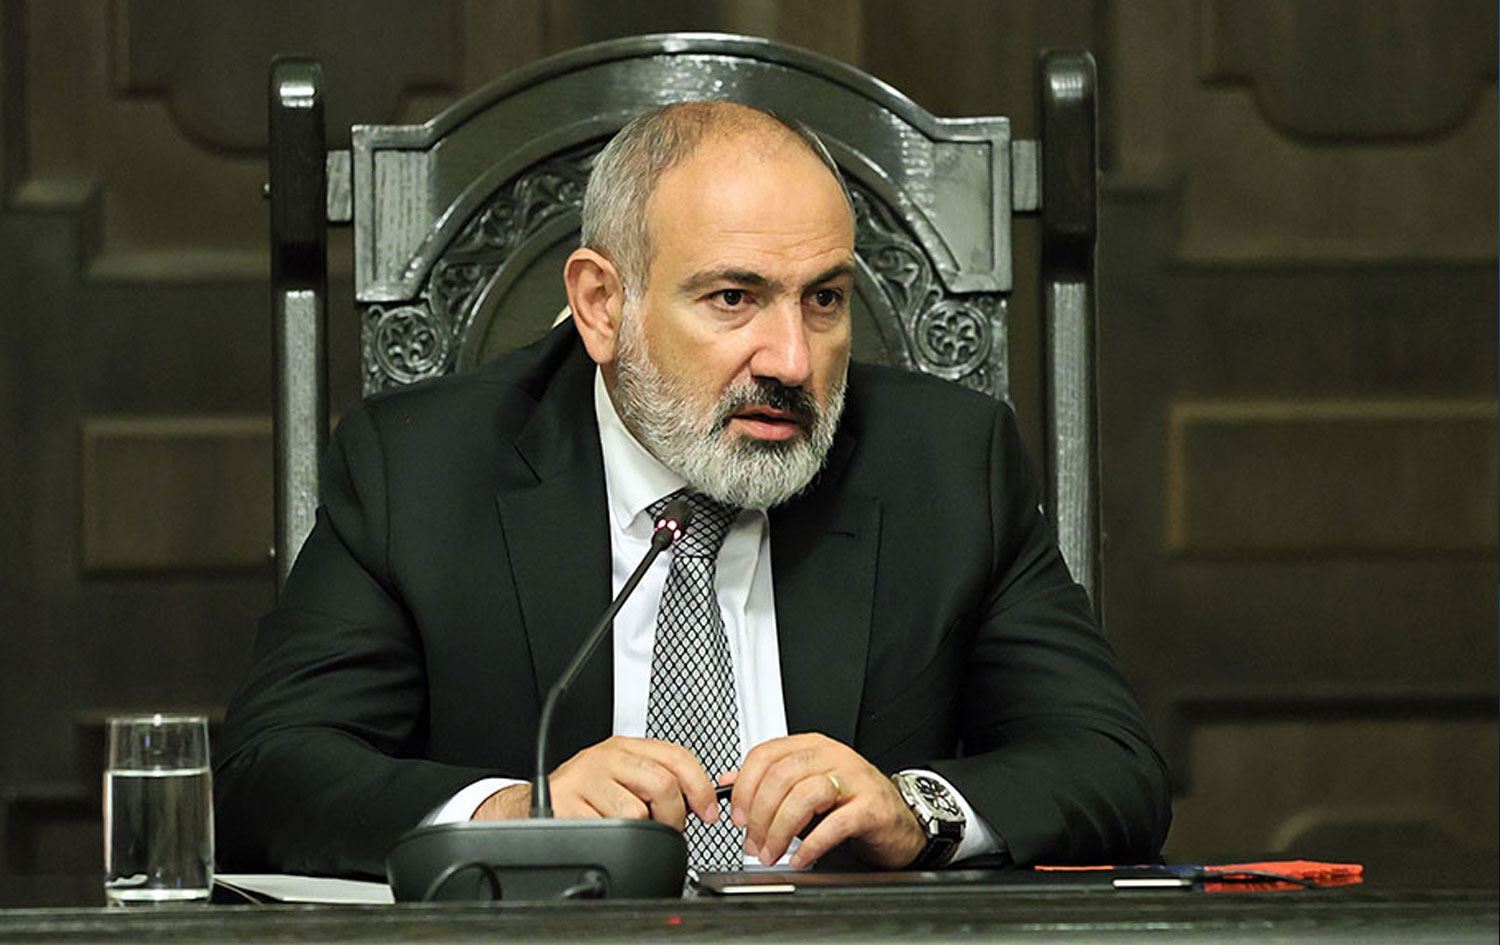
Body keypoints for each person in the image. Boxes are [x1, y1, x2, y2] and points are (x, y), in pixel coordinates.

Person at [215, 101, 1170, 879]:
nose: (791, 359)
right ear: (601, 305)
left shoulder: (948, 463)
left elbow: (1111, 763)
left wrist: (916, 810)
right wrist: (512, 813)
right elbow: (269, 773)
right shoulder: (419, 470)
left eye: (824, 299)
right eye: (733, 298)